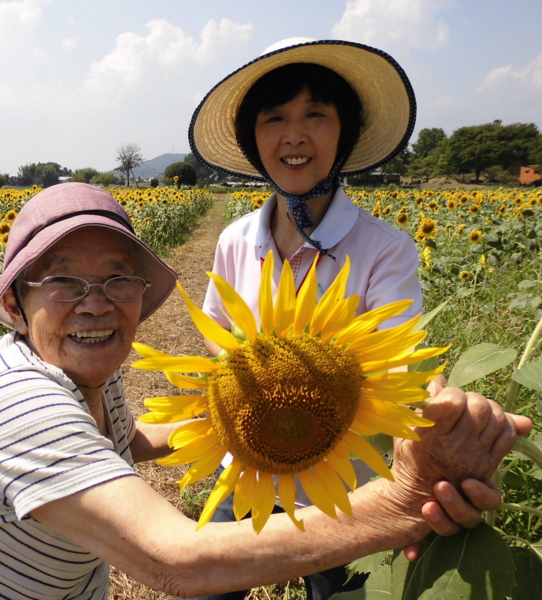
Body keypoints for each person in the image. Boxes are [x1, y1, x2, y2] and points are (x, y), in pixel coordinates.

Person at [0, 182, 530, 599]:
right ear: (16, 304)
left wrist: (246, 414)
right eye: (64, 281)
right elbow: (176, 563)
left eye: (116, 280)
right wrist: (401, 504)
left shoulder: (85, 379)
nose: (95, 305)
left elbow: (128, 441)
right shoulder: (20, 403)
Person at [188, 39, 457, 598]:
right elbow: (217, 333)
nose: (294, 135)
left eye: (316, 114)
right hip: (247, 465)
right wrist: (254, 382)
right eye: (275, 118)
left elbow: (399, 359)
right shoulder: (237, 240)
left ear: (345, 132)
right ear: (252, 138)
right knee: (207, 584)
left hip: (347, 483)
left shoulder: (384, 249)